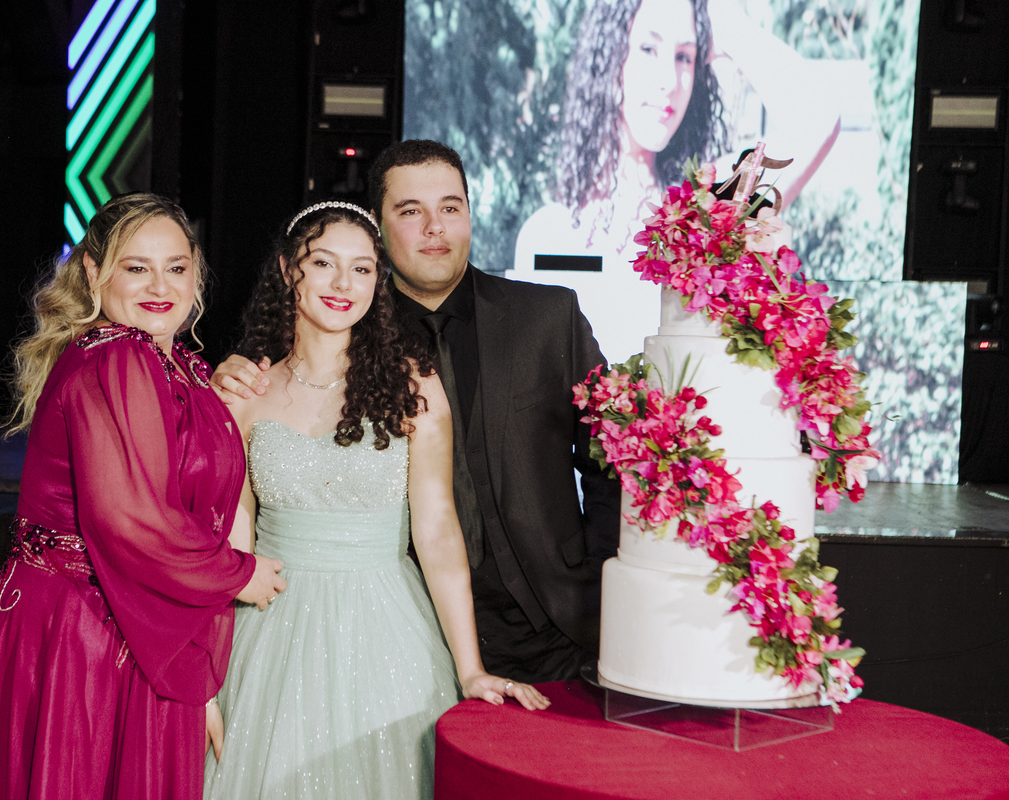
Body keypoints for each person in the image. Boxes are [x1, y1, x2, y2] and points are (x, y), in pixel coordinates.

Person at [214, 142, 618, 684]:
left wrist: (601, 577)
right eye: (410, 211)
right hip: (408, 632)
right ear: (377, 228)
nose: (435, 228)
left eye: (450, 207)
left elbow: (612, 462)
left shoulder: (548, 317)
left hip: (560, 625)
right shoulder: (340, 324)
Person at [0, 194, 286, 800]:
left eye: (176, 267)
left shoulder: (174, 363)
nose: (160, 285)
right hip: (82, 631)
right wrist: (237, 574)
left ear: (197, 271)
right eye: (136, 267)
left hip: (106, 621)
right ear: (93, 271)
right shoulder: (119, 356)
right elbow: (131, 520)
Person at [203, 201, 548, 799]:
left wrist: (469, 667)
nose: (343, 284)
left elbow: (437, 531)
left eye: (362, 269)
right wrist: (207, 675)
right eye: (323, 263)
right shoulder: (243, 392)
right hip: (269, 629)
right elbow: (231, 537)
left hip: (387, 627)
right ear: (287, 270)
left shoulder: (414, 387)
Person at [511, 0, 841, 363]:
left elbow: (818, 122)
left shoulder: (709, 211)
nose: (669, 80)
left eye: (685, 56)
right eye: (648, 49)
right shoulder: (547, 232)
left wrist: (722, 22)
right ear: (609, 52)